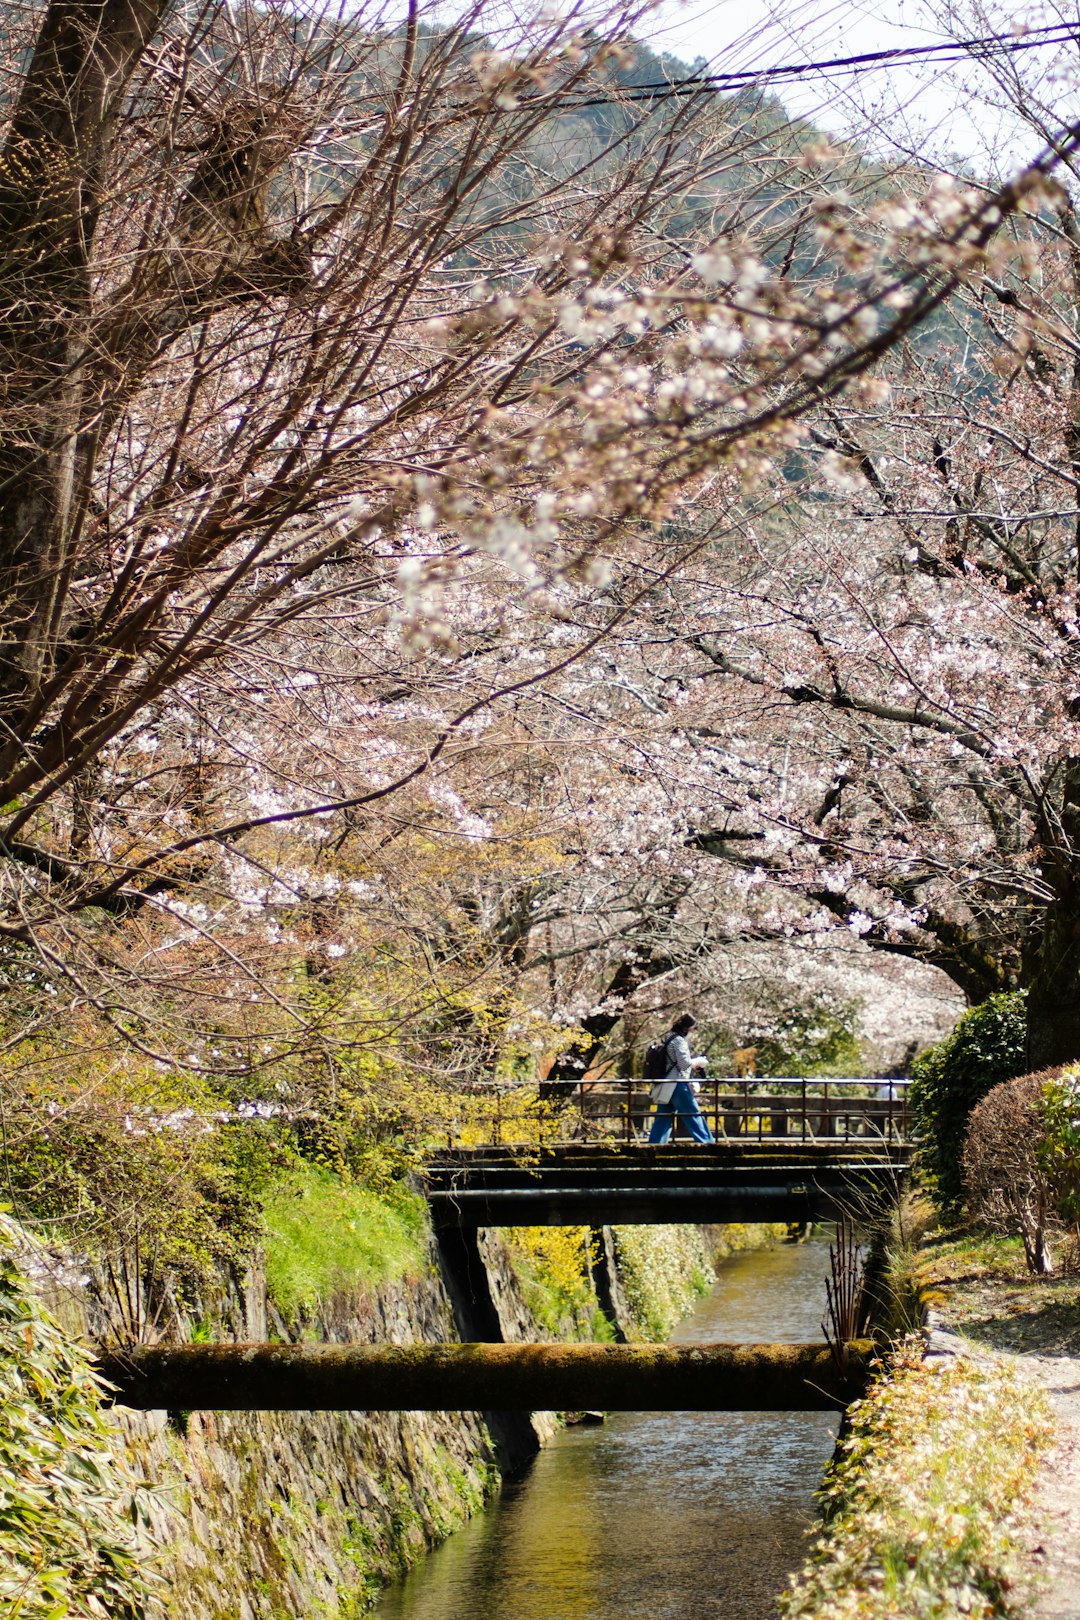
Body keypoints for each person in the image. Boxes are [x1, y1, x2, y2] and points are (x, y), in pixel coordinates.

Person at [648, 1013, 714, 1145]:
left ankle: (655, 1145)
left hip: (666, 1084)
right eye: (693, 1029)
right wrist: (699, 1061)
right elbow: (684, 1064)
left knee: (663, 1118)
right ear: (687, 1028)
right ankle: (706, 1143)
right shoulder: (679, 1041)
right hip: (678, 1084)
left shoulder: (668, 1038)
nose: (693, 1032)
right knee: (693, 1114)